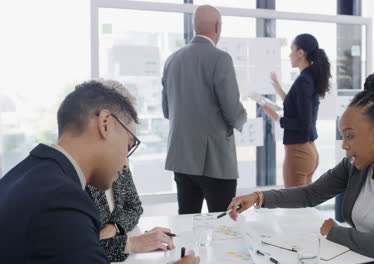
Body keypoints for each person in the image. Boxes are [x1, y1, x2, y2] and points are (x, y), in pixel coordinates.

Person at [228, 72, 374, 264]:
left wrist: (335, 231)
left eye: (350, 136)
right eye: (343, 136)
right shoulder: (355, 165)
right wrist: (259, 197)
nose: (344, 145)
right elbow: (310, 194)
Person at [0, 80, 198, 264]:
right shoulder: (62, 198)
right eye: (128, 145)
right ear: (105, 123)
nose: (126, 164)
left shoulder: (20, 176)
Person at [162, 5, 247, 214]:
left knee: (187, 223)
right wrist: (243, 118)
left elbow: (167, 111)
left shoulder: (172, 60)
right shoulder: (220, 58)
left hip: (181, 158)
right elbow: (231, 109)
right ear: (218, 26)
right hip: (215, 161)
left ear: (194, 26)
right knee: (224, 226)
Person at [91, 80, 178, 262]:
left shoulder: (119, 159)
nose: (125, 162)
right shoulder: (76, 176)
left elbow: (134, 207)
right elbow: (83, 248)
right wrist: (133, 243)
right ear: (105, 124)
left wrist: (113, 228)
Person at [263, 33, 331, 187]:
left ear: (301, 53)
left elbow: (303, 122)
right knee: (302, 206)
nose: (289, 55)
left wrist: (276, 117)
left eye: (291, 49)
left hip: (299, 152)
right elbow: (298, 105)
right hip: (307, 150)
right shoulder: (308, 78)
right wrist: (279, 89)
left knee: (294, 207)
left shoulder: (303, 81)